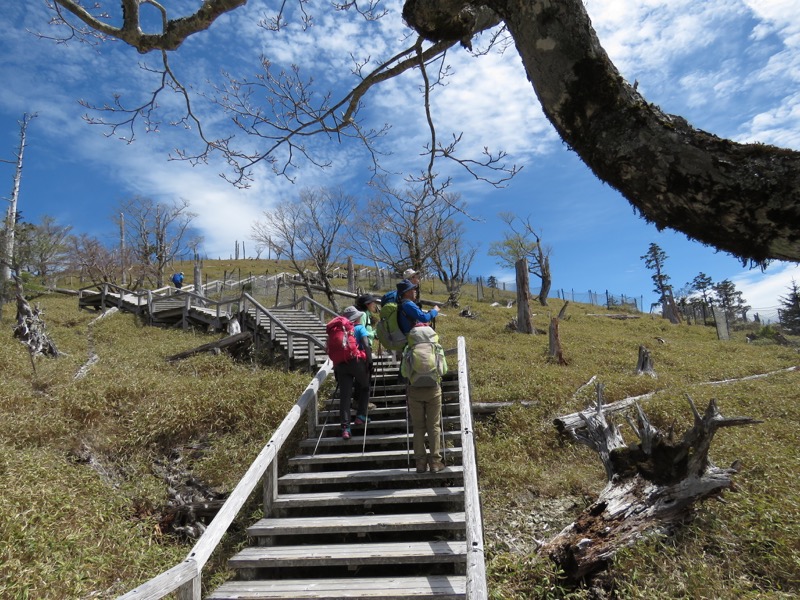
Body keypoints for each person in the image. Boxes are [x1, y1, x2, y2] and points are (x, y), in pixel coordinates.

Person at [401, 324, 448, 473]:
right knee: (433, 426)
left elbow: (404, 372)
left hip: (414, 391)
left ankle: (420, 463)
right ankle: (435, 462)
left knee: (418, 427)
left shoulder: (409, 349)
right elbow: (444, 370)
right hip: (433, 390)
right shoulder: (437, 347)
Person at [336, 306, 372, 439]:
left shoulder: (339, 330)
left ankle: (345, 429)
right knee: (365, 387)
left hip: (341, 365)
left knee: (345, 396)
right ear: (356, 317)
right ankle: (361, 416)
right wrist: (370, 362)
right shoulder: (358, 327)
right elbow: (366, 345)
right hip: (356, 363)